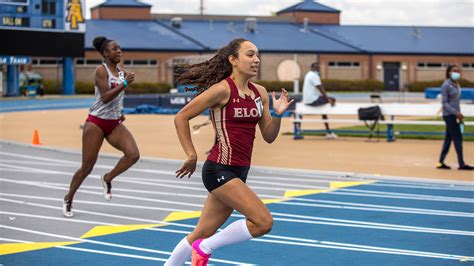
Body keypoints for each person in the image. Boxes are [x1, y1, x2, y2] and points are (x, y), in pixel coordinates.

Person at [165, 38, 293, 266]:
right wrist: (191, 155)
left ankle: (189, 252)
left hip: (239, 171)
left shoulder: (260, 93)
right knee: (263, 222)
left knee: (200, 232)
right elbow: (181, 117)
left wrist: (279, 114)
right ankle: (205, 248)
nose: (257, 60)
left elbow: (269, 136)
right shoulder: (222, 90)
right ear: (233, 60)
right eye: (250, 55)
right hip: (219, 169)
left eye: (257, 55)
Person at [62, 36, 140, 217]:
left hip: (114, 123)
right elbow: (105, 97)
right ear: (106, 53)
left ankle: (107, 178)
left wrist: (120, 112)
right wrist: (125, 83)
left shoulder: (122, 72)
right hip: (96, 123)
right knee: (87, 167)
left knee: (133, 155)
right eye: (115, 48)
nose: (119, 51)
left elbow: (118, 97)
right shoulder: (101, 70)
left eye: (120, 48)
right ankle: (68, 198)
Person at [437, 64, 473, 170]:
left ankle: (440, 162)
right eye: (455, 71)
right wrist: (455, 113)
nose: (457, 73)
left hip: (455, 115)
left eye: (458, 71)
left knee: (448, 139)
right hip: (449, 115)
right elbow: (445, 103)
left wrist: (459, 115)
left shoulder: (456, 84)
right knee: (458, 138)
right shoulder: (446, 85)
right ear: (449, 73)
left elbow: (456, 103)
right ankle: (461, 164)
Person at [302, 62, 338, 139]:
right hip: (313, 100)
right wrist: (328, 99)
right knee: (332, 99)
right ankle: (328, 132)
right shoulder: (314, 76)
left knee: (324, 110)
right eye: (317, 67)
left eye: (318, 67)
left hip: (308, 100)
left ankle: (328, 131)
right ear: (312, 68)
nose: (318, 68)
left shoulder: (308, 74)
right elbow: (320, 88)